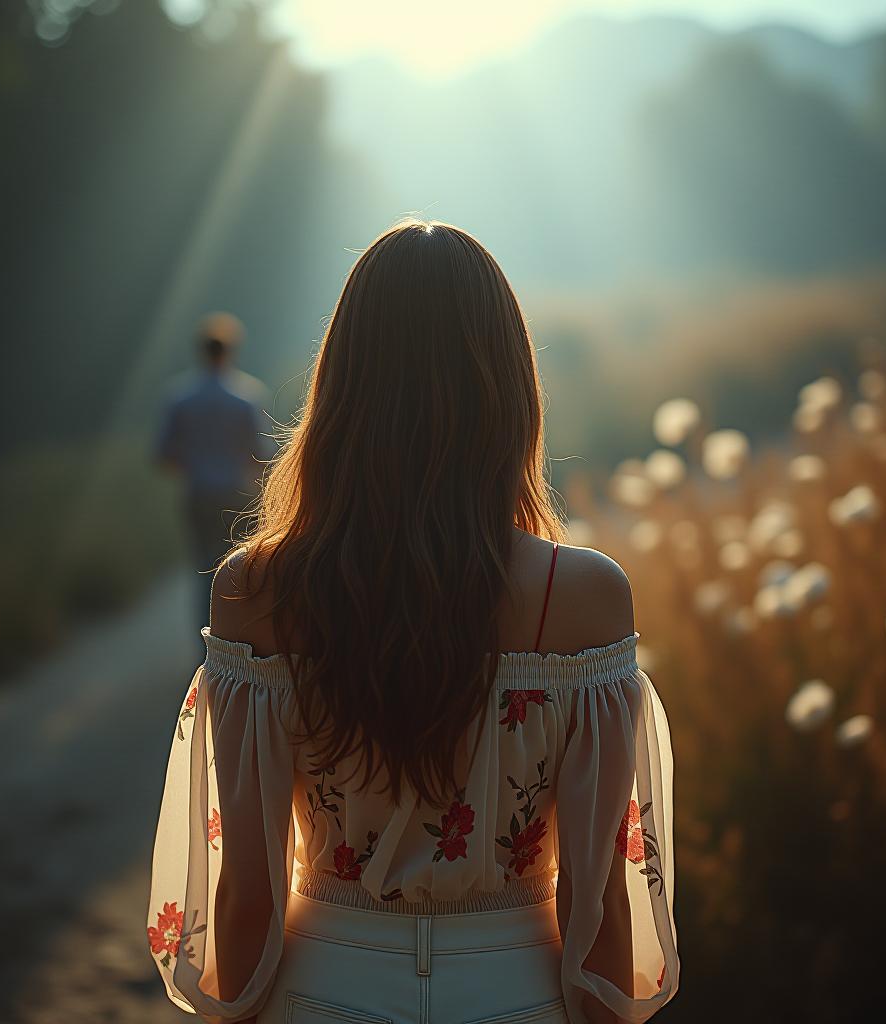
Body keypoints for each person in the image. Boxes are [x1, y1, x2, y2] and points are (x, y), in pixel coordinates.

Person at [146, 220, 678, 1024]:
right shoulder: (585, 595)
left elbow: (247, 887)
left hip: (322, 987)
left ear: (343, 384)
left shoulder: (253, 587)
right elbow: (596, 898)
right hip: (516, 993)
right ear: (509, 387)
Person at [154, 311, 277, 630]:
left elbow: (163, 455)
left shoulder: (180, 397)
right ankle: (235, 637)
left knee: (202, 569)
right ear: (231, 350)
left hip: (198, 493)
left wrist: (196, 464)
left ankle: (205, 641)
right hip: (235, 494)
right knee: (236, 569)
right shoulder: (246, 396)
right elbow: (261, 455)